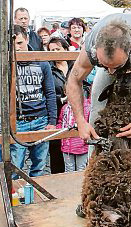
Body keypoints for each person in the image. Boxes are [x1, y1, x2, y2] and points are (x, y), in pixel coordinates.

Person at [65, 13, 131, 143]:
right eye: (105, 65)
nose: (111, 72)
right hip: (113, 58)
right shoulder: (90, 47)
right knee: (96, 111)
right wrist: (80, 121)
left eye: (115, 66)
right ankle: (95, 156)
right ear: (96, 50)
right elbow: (73, 81)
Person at [11, 25, 57, 179]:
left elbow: (50, 92)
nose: (16, 48)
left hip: (40, 119)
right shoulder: (6, 63)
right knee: (14, 168)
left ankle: (36, 198)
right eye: (13, 44)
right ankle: (15, 201)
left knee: (39, 167)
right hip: (17, 121)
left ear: (27, 39)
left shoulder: (41, 61)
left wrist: (52, 120)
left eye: (19, 43)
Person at [47, 37, 74, 174]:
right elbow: (47, 92)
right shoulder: (49, 69)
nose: (55, 52)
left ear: (65, 49)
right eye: (52, 50)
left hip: (75, 112)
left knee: (76, 146)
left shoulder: (75, 65)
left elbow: (86, 85)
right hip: (57, 112)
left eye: (58, 49)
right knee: (56, 149)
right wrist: (62, 99)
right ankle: (57, 176)